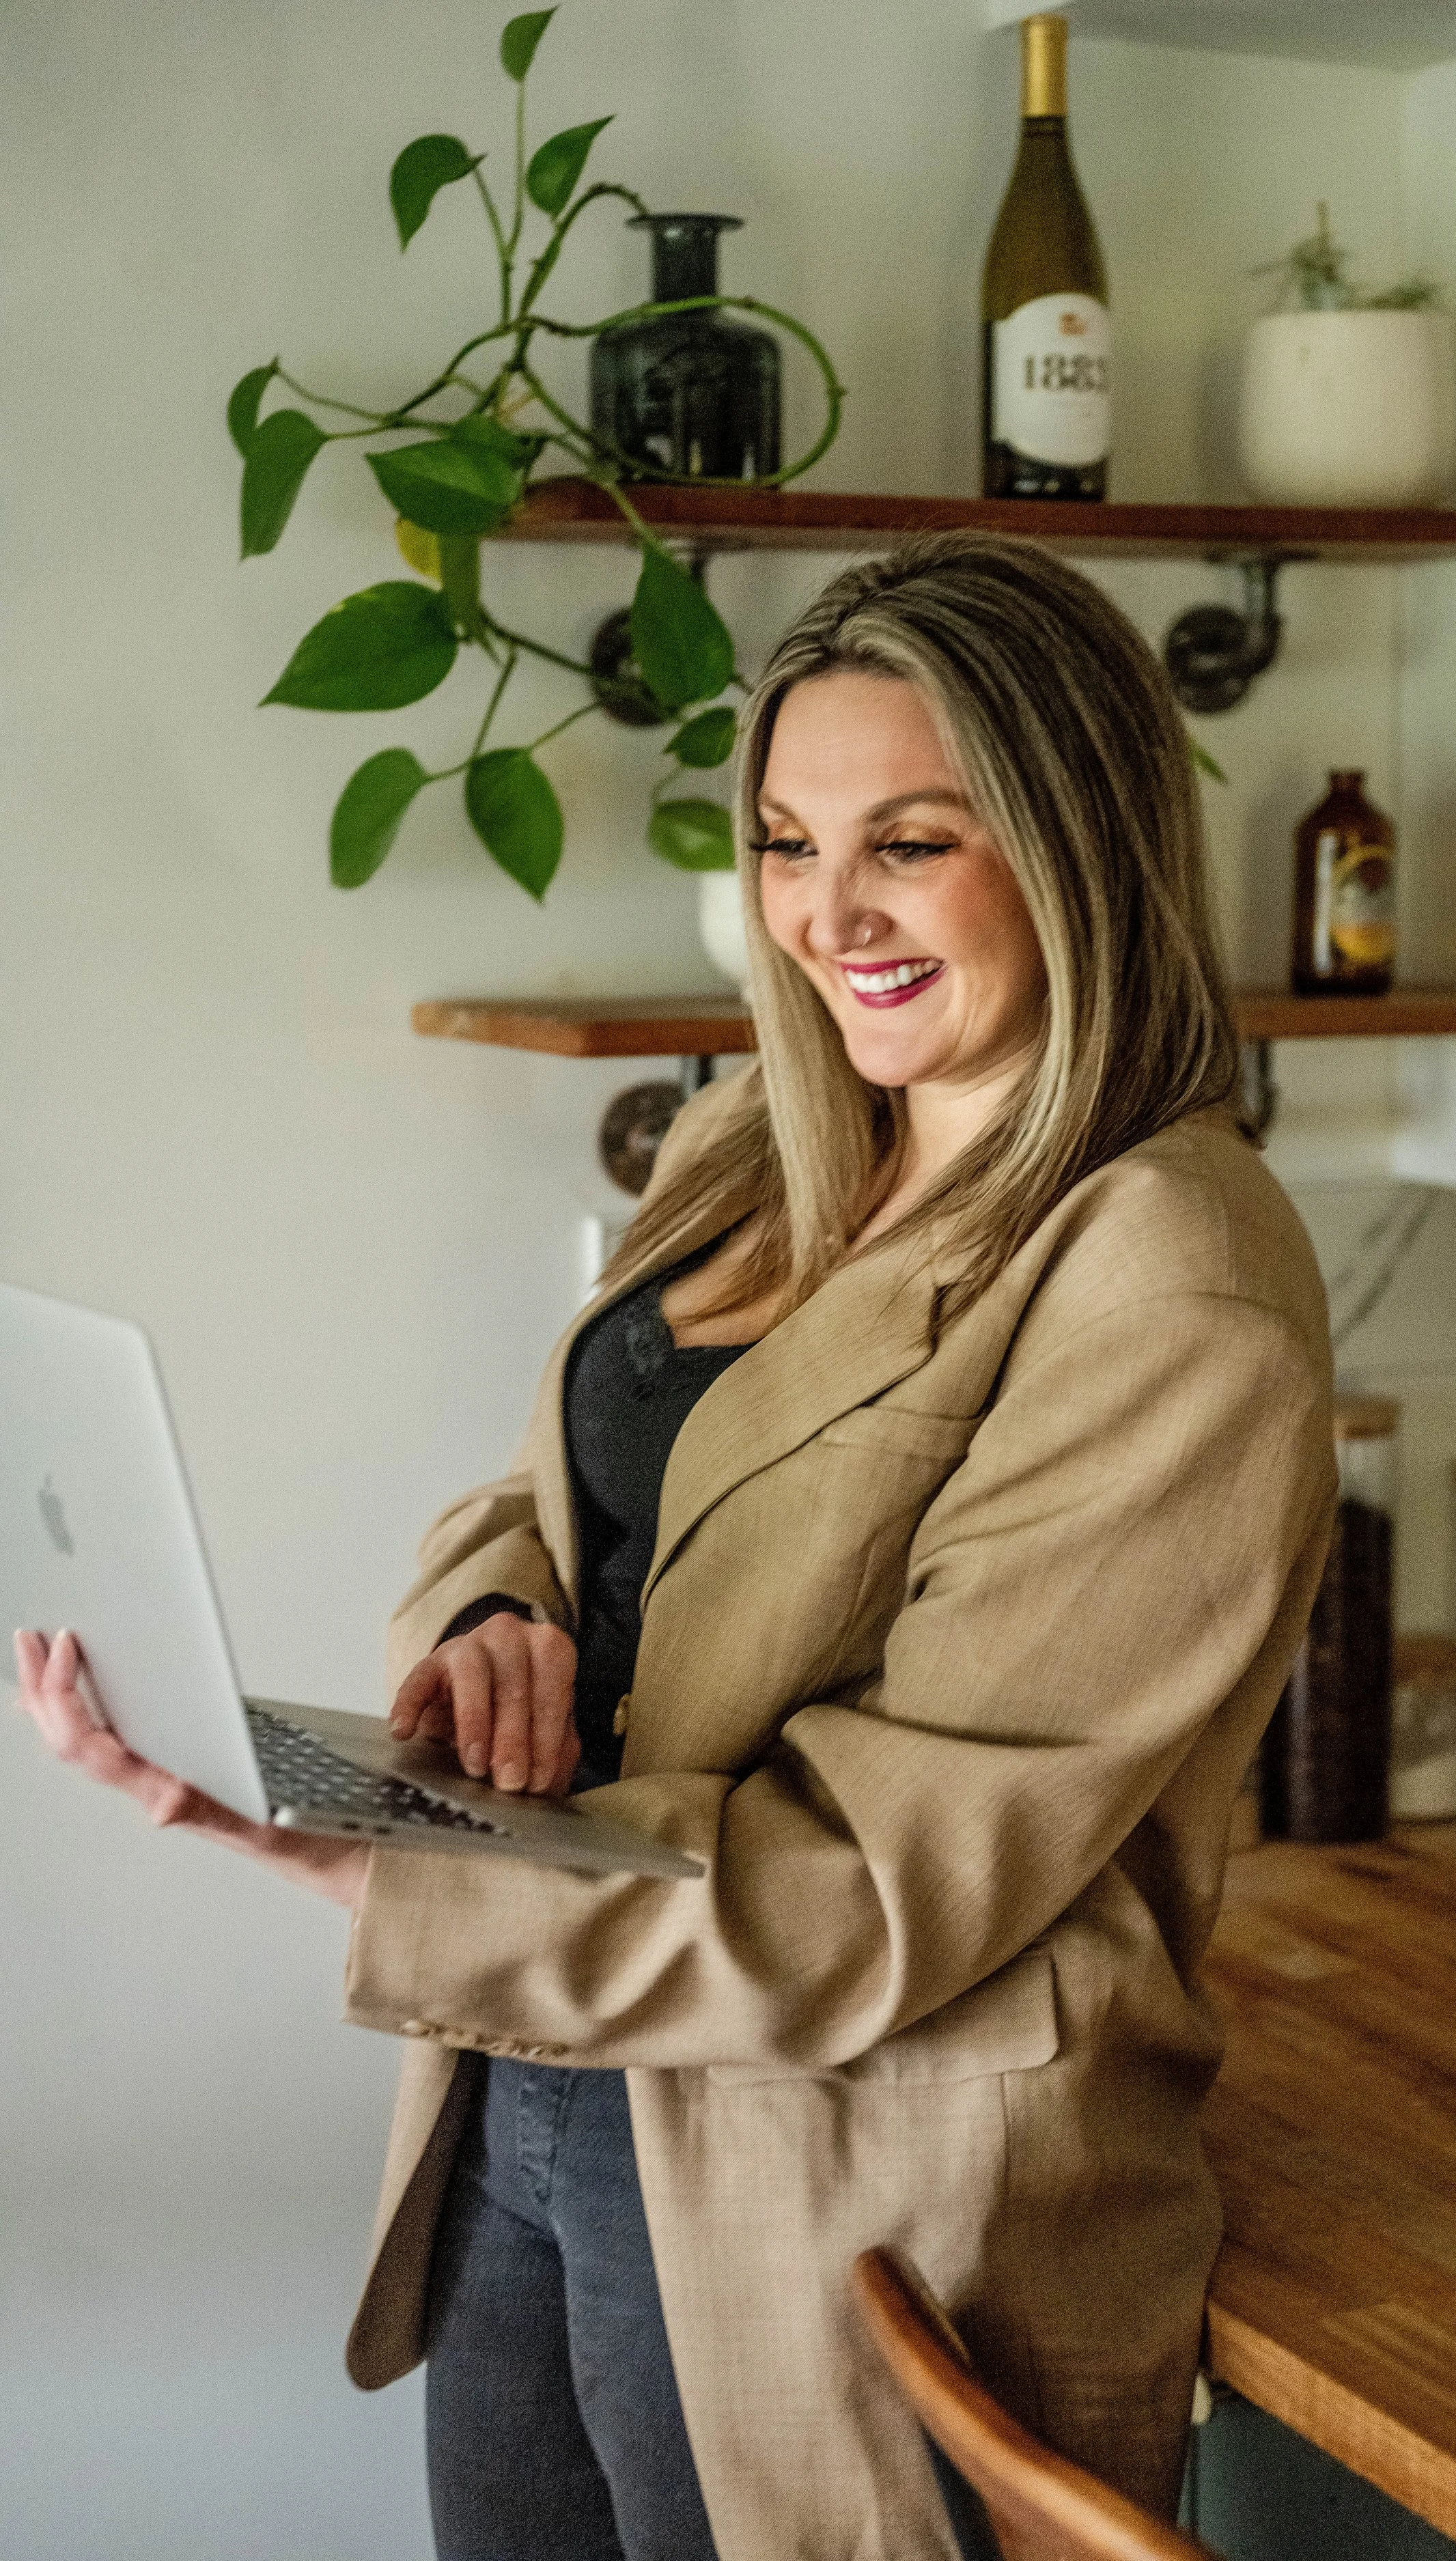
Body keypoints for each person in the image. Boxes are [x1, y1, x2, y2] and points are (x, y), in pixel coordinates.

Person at [18, 533, 1336, 2561]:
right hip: (538, 2087)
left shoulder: (1169, 1267)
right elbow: (561, 1492)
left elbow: (883, 1883)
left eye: (911, 839)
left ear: (1076, 846)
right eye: (795, 844)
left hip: (839, 2169)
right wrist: (489, 1618)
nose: (831, 914)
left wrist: (355, 1858)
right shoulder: (775, 1139)